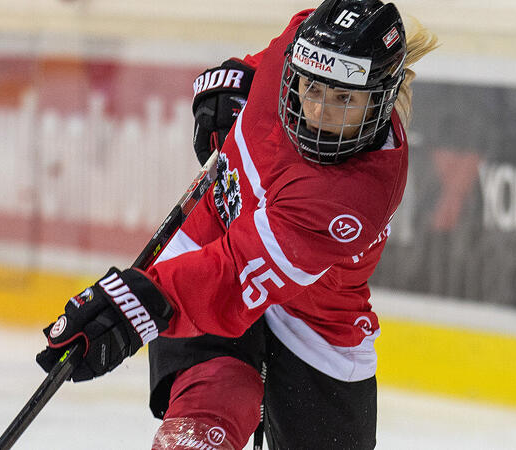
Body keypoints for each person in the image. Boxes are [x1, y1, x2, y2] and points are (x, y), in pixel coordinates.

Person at [36, 1, 439, 448]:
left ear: (379, 98)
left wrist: (136, 306)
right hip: (209, 246)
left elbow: (233, 274)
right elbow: (261, 68)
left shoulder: (352, 198)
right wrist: (234, 81)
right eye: (312, 89)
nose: (320, 114)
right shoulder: (303, 40)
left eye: (344, 99)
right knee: (205, 419)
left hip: (314, 323)